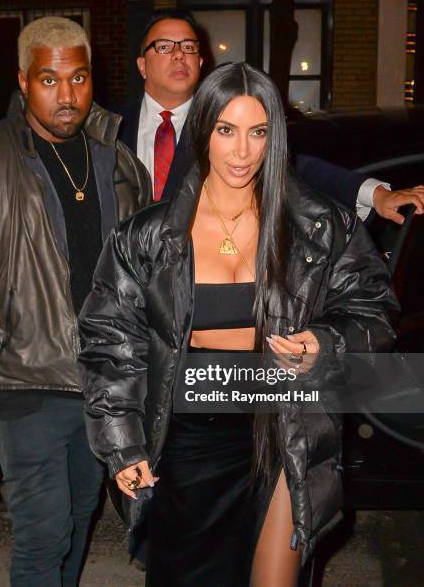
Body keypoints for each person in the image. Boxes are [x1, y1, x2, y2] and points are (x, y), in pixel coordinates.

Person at [78, 63, 398, 586]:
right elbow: (110, 344)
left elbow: (374, 308)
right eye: (226, 130)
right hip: (186, 439)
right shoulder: (148, 236)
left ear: (276, 137)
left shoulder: (318, 225)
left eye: (258, 132)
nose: (243, 152)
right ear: (203, 129)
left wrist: (324, 341)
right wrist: (123, 446)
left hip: (282, 427)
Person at [0, 17, 151, 587]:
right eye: (49, 80)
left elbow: (144, 282)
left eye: (77, 77)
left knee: (78, 520)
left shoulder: (118, 163)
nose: (66, 94)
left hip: (101, 386)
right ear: (23, 81)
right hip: (24, 389)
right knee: (43, 536)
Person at [116, 9, 424, 221]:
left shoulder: (223, 122)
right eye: (165, 47)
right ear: (142, 64)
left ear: (200, 62)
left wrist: (378, 194)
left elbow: (297, 166)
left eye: (188, 46)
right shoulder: (109, 127)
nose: (180, 55)